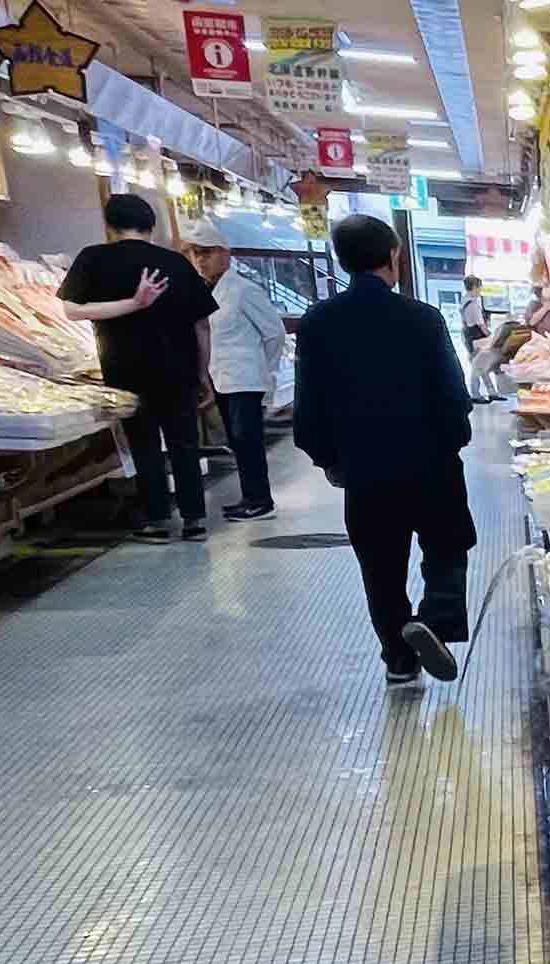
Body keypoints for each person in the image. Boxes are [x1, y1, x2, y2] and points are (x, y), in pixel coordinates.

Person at [292, 214, 476, 686]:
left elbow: (309, 406)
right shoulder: (422, 319)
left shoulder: (317, 324)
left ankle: (398, 658)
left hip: (365, 470)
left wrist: (329, 460)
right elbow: (453, 395)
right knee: (448, 546)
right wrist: (455, 440)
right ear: (393, 256)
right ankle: (434, 621)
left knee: (381, 566)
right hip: (431, 462)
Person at [58, 193, 221, 542]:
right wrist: (202, 372)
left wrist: (129, 306)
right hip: (177, 370)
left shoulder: (93, 258)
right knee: (183, 443)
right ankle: (194, 520)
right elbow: (201, 326)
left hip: (124, 372)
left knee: (144, 444)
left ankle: (158, 521)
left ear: (110, 226)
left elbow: (72, 311)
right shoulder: (176, 264)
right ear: (152, 226)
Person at [181, 220, 285, 521]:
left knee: (248, 440)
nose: (200, 259)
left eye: (207, 253)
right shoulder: (206, 291)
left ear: (225, 254)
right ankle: (250, 497)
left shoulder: (243, 290)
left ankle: (261, 500)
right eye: (195, 253)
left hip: (246, 379)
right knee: (238, 441)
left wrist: (264, 371)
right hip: (222, 379)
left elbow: (274, 334)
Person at [458, 276, 496, 404]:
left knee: (481, 365)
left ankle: (492, 392)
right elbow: (480, 324)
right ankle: (475, 394)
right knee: (478, 366)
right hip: (476, 338)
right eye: (479, 287)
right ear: (474, 287)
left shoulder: (464, 301)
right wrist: (491, 336)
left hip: (468, 336)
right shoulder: (473, 304)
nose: (480, 290)